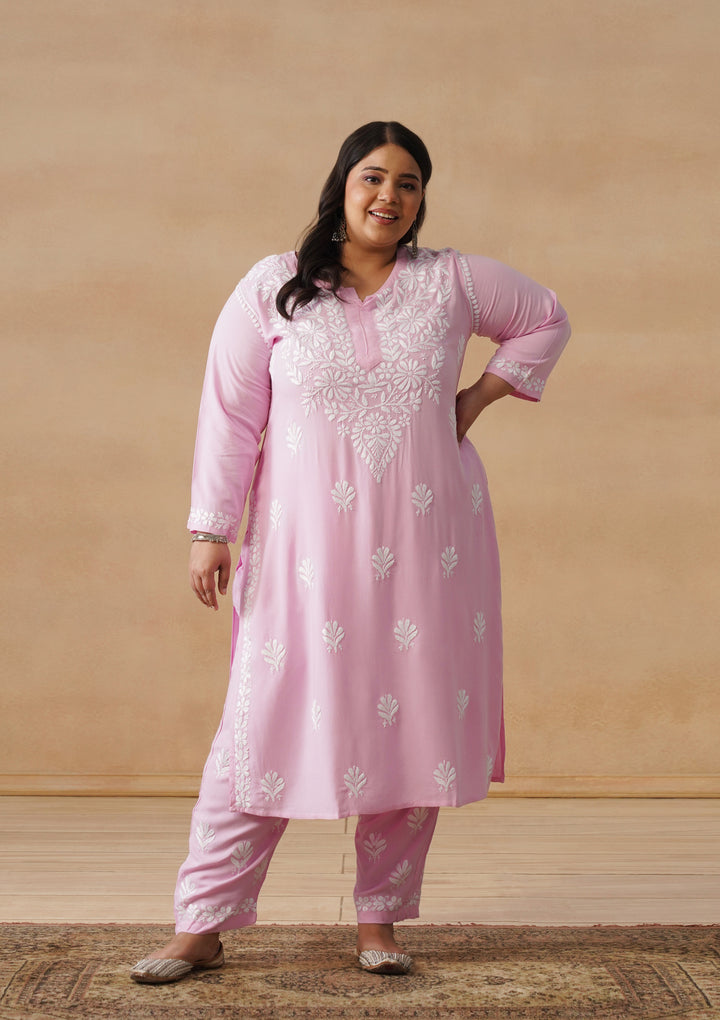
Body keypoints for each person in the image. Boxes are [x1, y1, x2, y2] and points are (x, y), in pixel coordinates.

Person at [130, 120, 570, 984]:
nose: (389, 197)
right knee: (260, 723)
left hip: (428, 548)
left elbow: (546, 318)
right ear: (342, 185)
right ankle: (202, 922)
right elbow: (231, 413)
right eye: (373, 177)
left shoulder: (451, 283)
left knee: (411, 721)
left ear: (422, 198)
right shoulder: (275, 288)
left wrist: (476, 399)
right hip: (303, 554)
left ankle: (380, 919)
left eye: (408, 183)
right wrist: (211, 530)